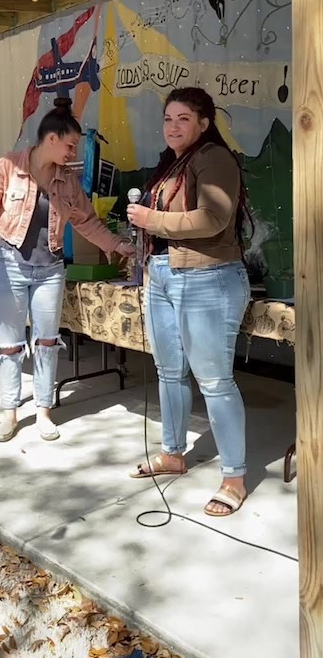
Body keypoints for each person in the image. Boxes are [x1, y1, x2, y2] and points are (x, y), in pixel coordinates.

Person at [0, 97, 134, 443]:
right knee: (9, 344)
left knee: (46, 342)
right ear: (51, 139)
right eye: (70, 145)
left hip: (50, 270)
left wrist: (118, 245)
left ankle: (43, 411)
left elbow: (87, 222)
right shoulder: (9, 165)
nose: (73, 153)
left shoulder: (67, 181)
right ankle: (9, 413)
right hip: (9, 265)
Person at [126, 87, 252, 517]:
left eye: (183, 118)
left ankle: (234, 478)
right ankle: (173, 454)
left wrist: (152, 219)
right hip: (164, 274)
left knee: (215, 382)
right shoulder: (173, 164)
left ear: (203, 123)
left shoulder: (214, 157)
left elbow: (213, 218)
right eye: (168, 118)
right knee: (168, 372)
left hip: (207, 276)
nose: (173, 126)